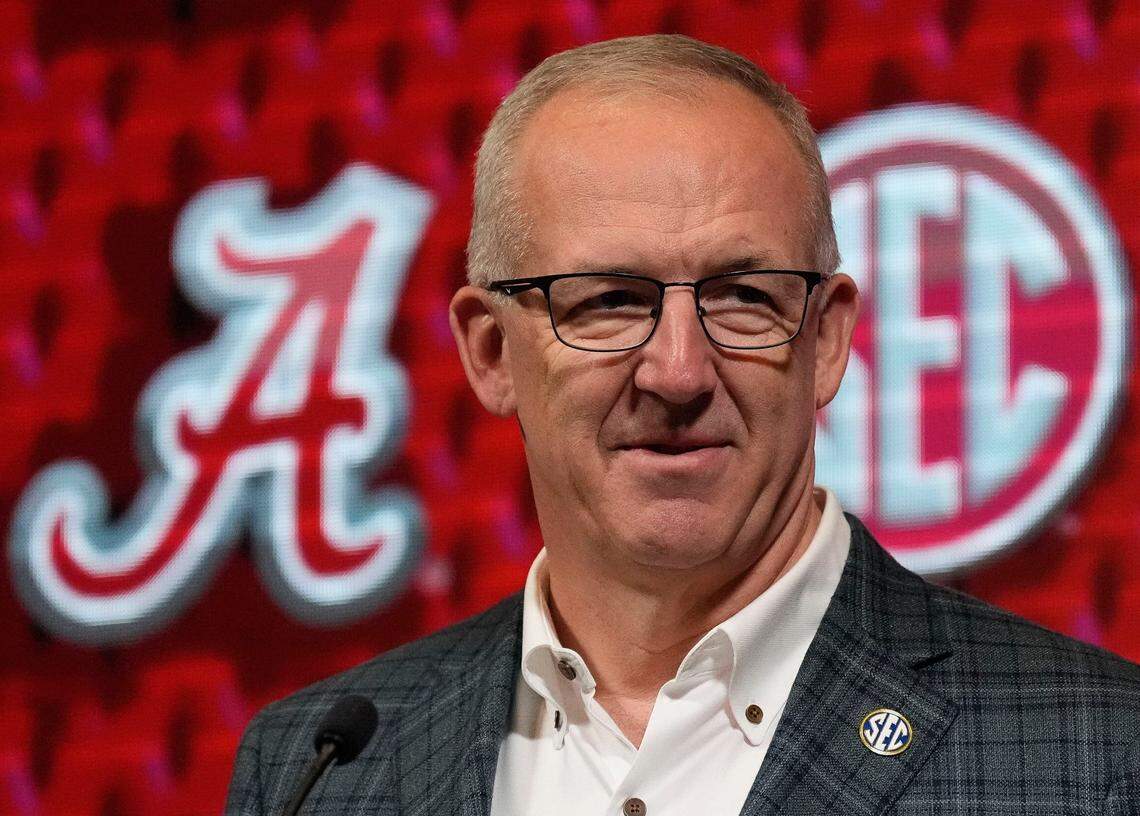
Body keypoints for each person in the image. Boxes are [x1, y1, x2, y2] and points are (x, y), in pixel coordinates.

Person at [225, 34, 1140, 815]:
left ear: (825, 340)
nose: (677, 372)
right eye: (608, 302)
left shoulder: (1099, 755)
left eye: (743, 297)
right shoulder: (316, 769)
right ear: (492, 352)